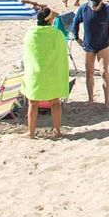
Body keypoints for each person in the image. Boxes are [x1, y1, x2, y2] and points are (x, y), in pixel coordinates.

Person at [21, 7, 68, 139]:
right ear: (49, 20)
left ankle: (31, 132)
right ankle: (57, 131)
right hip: (52, 73)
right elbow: (61, 53)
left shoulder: (30, 34)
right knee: (55, 102)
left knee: (33, 103)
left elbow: (28, 55)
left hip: (35, 74)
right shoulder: (57, 34)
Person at [71, 0, 109, 105]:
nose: (93, 7)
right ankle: (90, 99)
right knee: (89, 73)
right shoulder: (83, 8)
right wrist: (77, 38)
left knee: (104, 72)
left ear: (101, 1)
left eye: (96, 6)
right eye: (92, 5)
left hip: (103, 45)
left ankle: (107, 101)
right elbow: (75, 22)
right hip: (88, 46)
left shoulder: (107, 9)